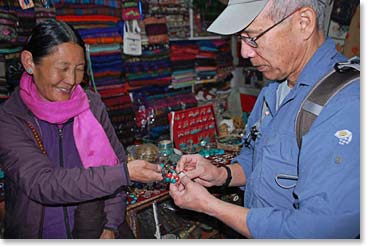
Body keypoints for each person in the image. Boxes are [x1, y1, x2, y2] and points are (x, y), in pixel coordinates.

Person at [170, 0, 359, 239]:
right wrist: (220, 174)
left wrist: (210, 206)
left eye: (252, 37)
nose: (244, 52)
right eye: (241, 38)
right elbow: (256, 161)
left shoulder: (346, 103)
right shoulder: (274, 89)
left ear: (304, 23)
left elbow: (316, 231)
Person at [0, 19, 163, 239]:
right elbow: (43, 183)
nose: (72, 80)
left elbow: (115, 160)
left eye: (79, 69)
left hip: (92, 230)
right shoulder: (11, 118)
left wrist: (111, 226)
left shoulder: (91, 105)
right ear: (29, 62)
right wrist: (123, 174)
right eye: (63, 68)